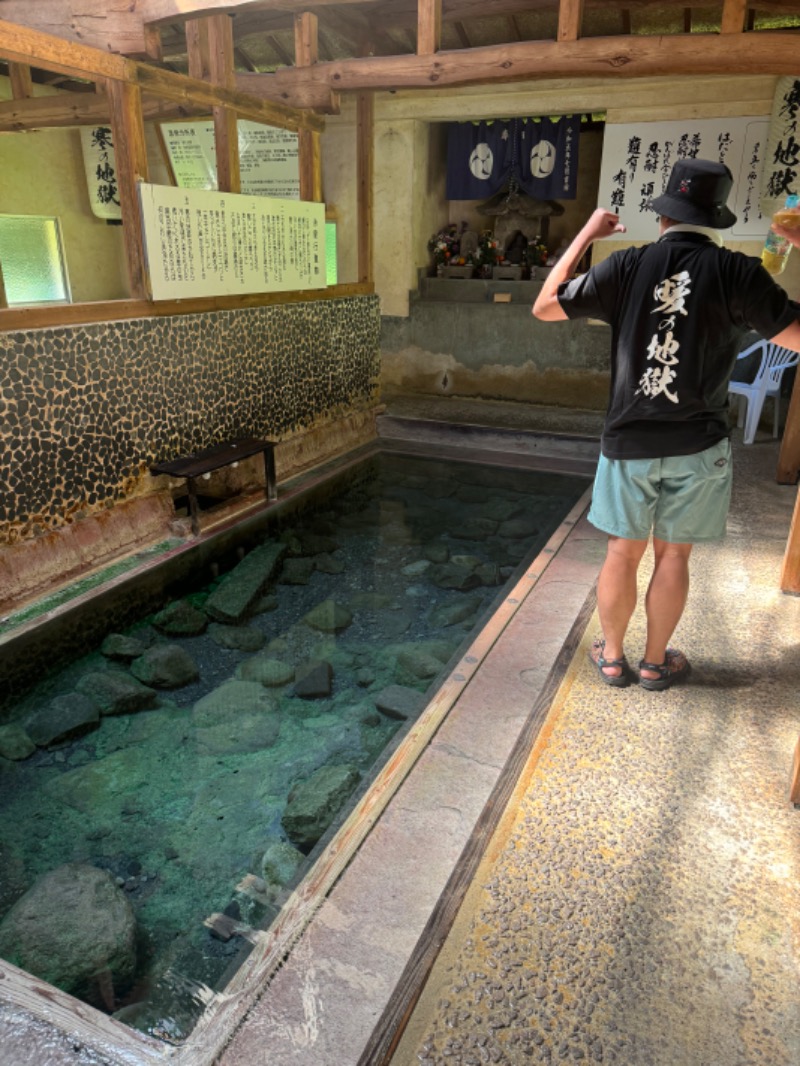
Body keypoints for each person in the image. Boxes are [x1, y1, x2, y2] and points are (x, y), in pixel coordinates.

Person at [532, 158, 800, 690]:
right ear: (715, 218)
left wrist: (587, 232)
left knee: (620, 552)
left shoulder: (625, 266)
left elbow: (544, 307)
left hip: (629, 439)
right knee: (674, 554)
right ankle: (655, 663)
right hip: (698, 444)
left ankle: (611, 658)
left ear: (663, 217)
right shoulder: (738, 273)